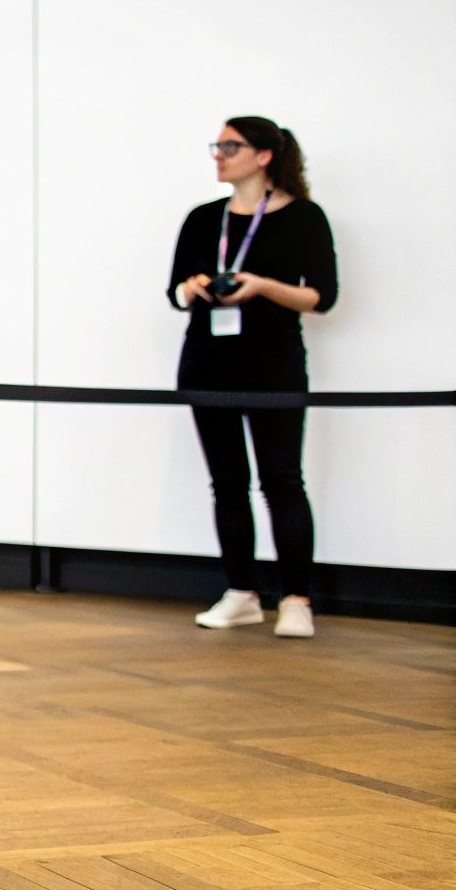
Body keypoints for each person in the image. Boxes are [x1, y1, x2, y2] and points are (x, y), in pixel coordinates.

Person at [170, 117, 338, 639]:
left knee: (282, 480)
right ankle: (241, 591)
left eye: (230, 146)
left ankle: (295, 599)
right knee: (227, 483)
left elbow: (322, 297)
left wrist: (263, 285)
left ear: (264, 155)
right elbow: (173, 294)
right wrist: (194, 287)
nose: (218, 154)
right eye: (217, 145)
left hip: (273, 364)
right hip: (207, 364)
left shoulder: (304, 218)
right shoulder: (203, 219)